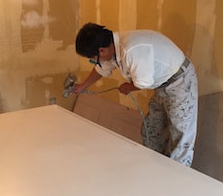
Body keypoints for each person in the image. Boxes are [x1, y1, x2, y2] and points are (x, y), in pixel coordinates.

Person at [73, 23, 198, 167]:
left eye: (93, 58)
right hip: (163, 84)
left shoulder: (132, 50)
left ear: (101, 51)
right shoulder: (112, 49)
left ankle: (177, 175)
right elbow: (101, 69)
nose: (95, 62)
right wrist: (82, 86)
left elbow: (144, 82)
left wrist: (129, 87)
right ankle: (157, 167)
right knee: (151, 130)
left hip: (180, 81)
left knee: (181, 138)